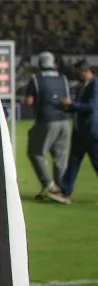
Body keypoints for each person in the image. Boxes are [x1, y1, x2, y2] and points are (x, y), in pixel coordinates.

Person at [25, 51, 72, 203]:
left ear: (40, 64)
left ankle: (49, 184)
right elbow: (67, 99)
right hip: (65, 121)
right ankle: (61, 190)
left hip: (46, 120)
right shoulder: (63, 79)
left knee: (35, 152)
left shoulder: (36, 80)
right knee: (60, 156)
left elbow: (29, 101)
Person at [59, 60, 98, 200]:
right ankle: (65, 192)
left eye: (77, 72)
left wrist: (72, 104)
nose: (76, 75)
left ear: (84, 71)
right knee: (73, 163)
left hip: (91, 132)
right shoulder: (84, 86)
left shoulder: (95, 84)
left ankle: (65, 191)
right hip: (80, 131)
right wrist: (68, 107)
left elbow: (91, 107)